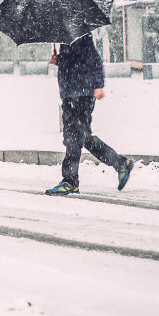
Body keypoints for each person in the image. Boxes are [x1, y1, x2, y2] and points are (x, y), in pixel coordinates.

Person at [45, 33, 133, 196]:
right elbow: (74, 63)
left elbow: (94, 60)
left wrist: (98, 85)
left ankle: (70, 181)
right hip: (71, 94)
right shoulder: (66, 39)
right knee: (80, 137)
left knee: (73, 137)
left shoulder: (80, 33)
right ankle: (120, 163)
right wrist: (59, 61)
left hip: (81, 94)